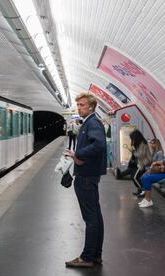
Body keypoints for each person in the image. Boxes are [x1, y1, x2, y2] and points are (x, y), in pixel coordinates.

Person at [65, 92, 107, 268]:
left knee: (90, 218)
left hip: (86, 177)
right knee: (95, 216)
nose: (79, 108)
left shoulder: (92, 122)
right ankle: (95, 255)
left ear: (91, 106)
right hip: (89, 174)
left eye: (82, 105)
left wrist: (78, 154)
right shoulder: (90, 122)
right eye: (78, 105)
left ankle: (87, 257)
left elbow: (99, 144)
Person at [138, 139, 165, 208]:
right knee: (144, 177)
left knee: (147, 178)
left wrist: (157, 162)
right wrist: (164, 166)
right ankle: (146, 199)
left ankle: (149, 201)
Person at [129, 130, 151, 197]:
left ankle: (143, 190)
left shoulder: (143, 144)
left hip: (144, 163)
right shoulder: (139, 143)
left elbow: (141, 155)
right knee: (135, 177)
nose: (132, 139)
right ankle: (140, 190)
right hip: (140, 163)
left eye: (132, 138)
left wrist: (133, 152)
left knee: (135, 177)